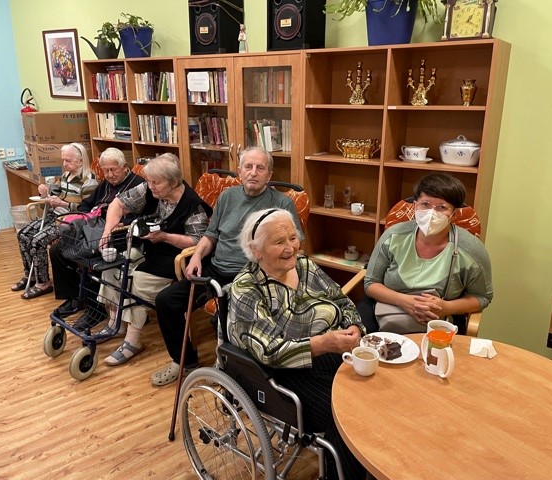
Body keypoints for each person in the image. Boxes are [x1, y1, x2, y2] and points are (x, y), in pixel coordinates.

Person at [227, 208, 367, 480]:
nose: (291, 247)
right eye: (279, 241)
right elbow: (270, 351)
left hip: (327, 351)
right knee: (345, 412)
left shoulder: (304, 266)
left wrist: (354, 326)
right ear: (256, 250)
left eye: (293, 238)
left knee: (368, 389)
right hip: (279, 374)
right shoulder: (247, 288)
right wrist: (323, 343)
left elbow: (341, 301)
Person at [152, 146, 302, 386]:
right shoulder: (227, 197)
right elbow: (211, 235)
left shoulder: (281, 204)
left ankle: (227, 365)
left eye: (260, 168)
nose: (253, 172)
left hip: (251, 276)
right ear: (239, 171)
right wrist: (196, 256)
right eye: (248, 167)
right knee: (166, 301)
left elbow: (294, 246)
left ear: (269, 175)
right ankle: (185, 361)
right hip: (215, 270)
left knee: (223, 318)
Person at [97, 153, 212, 366]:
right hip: (150, 248)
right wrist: (107, 232)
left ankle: (132, 341)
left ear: (173, 182)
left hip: (175, 256)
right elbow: (117, 204)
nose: (150, 187)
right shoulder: (150, 189)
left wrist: (165, 237)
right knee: (112, 266)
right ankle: (116, 323)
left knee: (136, 280)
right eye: (149, 182)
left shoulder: (193, 206)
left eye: (155, 183)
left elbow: (198, 242)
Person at [357, 172, 493, 334]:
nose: (431, 213)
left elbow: (483, 297)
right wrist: (405, 301)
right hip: (387, 310)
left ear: (454, 214)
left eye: (441, 207)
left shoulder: (471, 249)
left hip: (439, 320)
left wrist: (446, 307)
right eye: (425, 204)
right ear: (415, 206)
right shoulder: (392, 236)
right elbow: (371, 283)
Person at [48, 147, 146, 325]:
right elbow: (85, 205)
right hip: (94, 230)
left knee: (91, 257)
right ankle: (75, 298)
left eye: (113, 170)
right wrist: (88, 216)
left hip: (119, 235)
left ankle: (96, 309)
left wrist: (118, 223)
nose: (109, 175)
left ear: (124, 166)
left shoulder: (137, 185)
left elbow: (140, 218)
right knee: (58, 249)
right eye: (105, 171)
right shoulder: (105, 185)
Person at [11, 142, 97, 299]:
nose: (64, 164)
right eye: (63, 160)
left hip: (71, 222)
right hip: (55, 216)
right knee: (23, 234)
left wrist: (63, 204)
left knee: (37, 241)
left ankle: (43, 283)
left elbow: (88, 211)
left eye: (68, 161)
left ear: (80, 161)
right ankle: (31, 275)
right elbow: (52, 196)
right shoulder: (65, 176)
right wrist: (45, 193)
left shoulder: (89, 181)